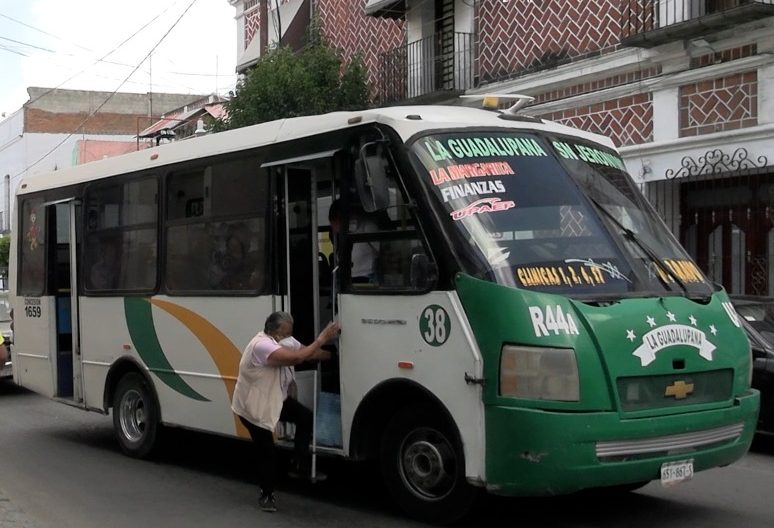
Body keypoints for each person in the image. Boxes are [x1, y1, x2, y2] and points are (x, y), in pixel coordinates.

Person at [231, 311, 340, 513]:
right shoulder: (261, 346)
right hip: (254, 408)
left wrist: (335, 357)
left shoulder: (284, 340)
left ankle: (299, 463)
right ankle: (266, 495)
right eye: (285, 332)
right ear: (273, 331)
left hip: (275, 401)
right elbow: (299, 357)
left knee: (305, 417)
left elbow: (308, 352)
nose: (288, 336)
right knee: (267, 452)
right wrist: (321, 338)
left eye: (290, 332)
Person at [328, 199, 379, 284]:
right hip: (349, 279)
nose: (334, 229)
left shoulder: (367, 227)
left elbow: (383, 251)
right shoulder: (344, 236)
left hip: (367, 278)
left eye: (334, 223)